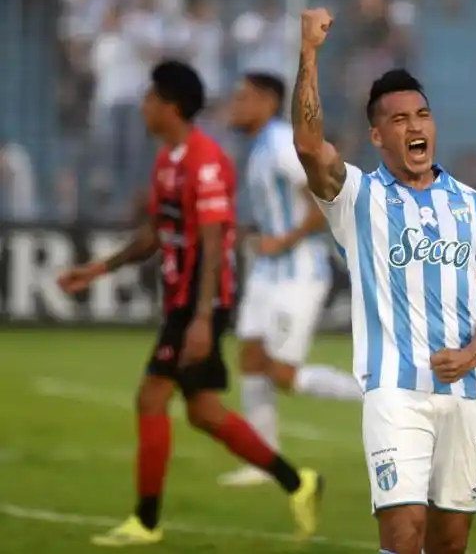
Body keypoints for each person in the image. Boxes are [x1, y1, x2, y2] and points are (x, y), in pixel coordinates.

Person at [56, 60, 322, 546]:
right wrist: (99, 268)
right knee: (202, 411)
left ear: (171, 107)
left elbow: (216, 237)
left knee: (151, 396)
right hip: (185, 300)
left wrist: (202, 318)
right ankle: (298, 481)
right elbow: (158, 231)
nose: (144, 106)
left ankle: (146, 521)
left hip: (200, 300)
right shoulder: (169, 160)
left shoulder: (204, 161)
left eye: (151, 99)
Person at [291, 8, 476, 554]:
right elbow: (308, 147)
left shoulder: (475, 206)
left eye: (423, 114)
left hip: (468, 393)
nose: (415, 126)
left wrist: (472, 356)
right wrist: (310, 53)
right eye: (399, 119)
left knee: (450, 541)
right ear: (376, 135)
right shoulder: (359, 199)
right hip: (394, 393)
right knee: (402, 529)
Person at [219, 72, 361, 488]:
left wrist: (285, 238)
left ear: (266, 102)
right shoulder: (261, 147)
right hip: (268, 272)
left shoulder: (282, 144)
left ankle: (381, 394)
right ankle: (264, 461)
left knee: (283, 375)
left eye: (242, 98)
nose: (235, 106)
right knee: (249, 357)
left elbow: (322, 197)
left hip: (298, 272)